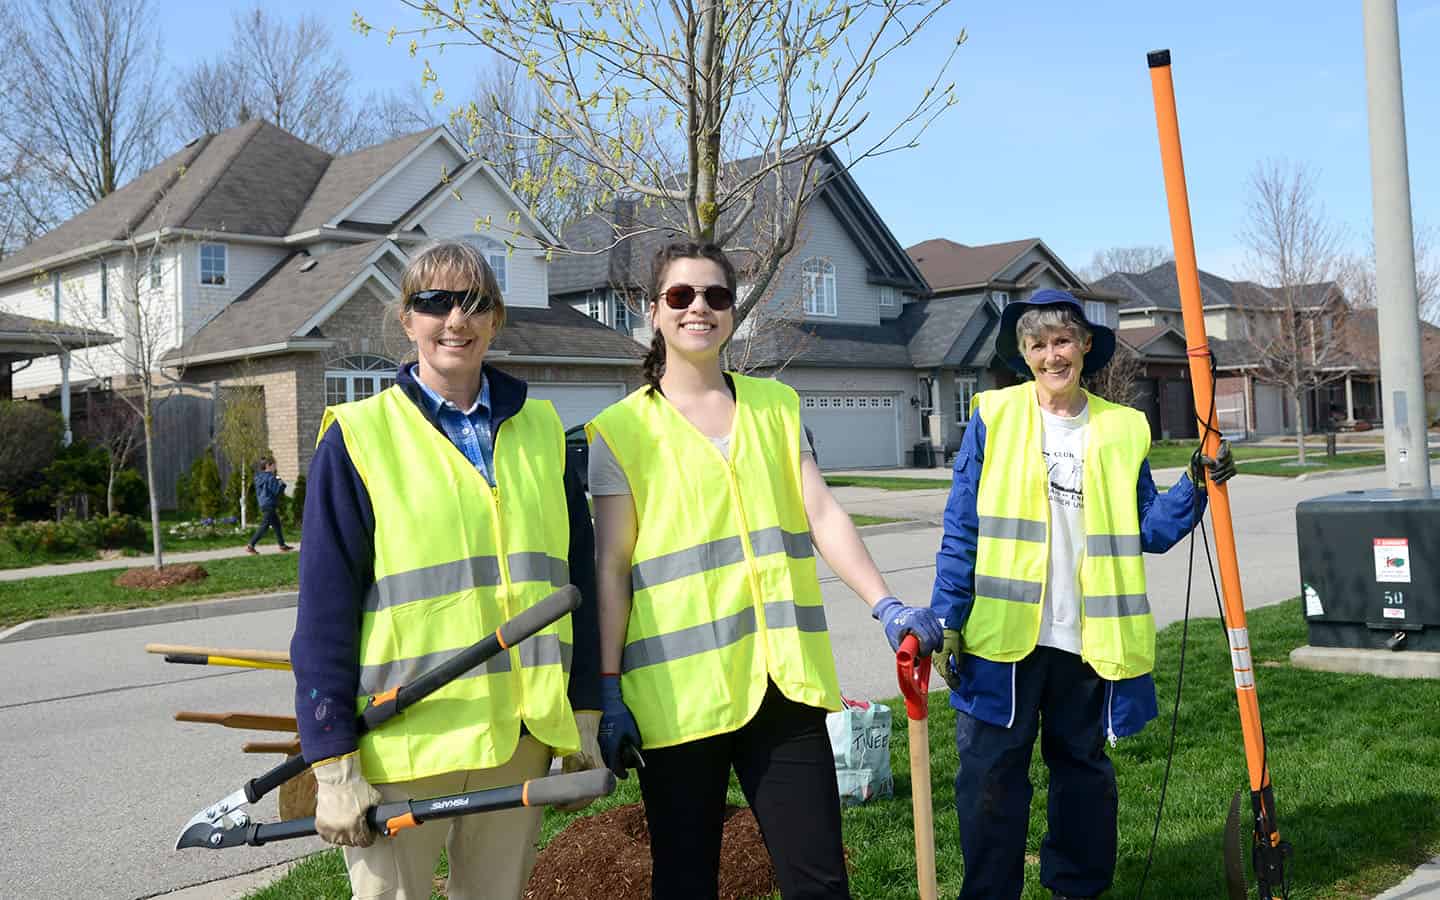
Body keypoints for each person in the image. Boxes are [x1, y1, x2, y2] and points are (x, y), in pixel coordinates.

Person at [588, 241, 942, 900]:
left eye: (716, 296)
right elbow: (610, 566)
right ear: (653, 312)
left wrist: (885, 604)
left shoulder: (777, 407)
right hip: (678, 699)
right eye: (681, 296)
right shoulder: (618, 431)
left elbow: (822, 512)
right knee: (686, 883)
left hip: (785, 688)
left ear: (732, 311)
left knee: (819, 882)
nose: (700, 308)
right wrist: (607, 687)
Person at [290, 240, 603, 900]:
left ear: (496, 320)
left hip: (517, 738)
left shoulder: (542, 432)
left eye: (475, 302)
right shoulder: (358, 437)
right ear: (407, 320)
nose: (454, 319)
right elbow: (323, 615)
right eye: (433, 302)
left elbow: (579, 582)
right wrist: (333, 765)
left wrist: (584, 713)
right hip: (405, 745)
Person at [930, 289, 1235, 900]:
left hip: (1087, 639)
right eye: (1037, 344)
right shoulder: (993, 415)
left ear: (1086, 345)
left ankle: (1077, 889)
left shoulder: (1124, 428)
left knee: (1083, 776)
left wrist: (1197, 485)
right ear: (1022, 354)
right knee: (990, 779)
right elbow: (962, 524)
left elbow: (1148, 526)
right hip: (1000, 640)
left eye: (1062, 340)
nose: (1052, 355)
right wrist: (945, 617)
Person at [245, 457, 291, 553]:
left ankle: (282, 545)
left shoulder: (258, 477)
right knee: (265, 526)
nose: (275, 468)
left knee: (277, 525)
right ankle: (251, 545)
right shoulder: (270, 477)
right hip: (269, 503)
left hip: (263, 503)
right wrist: (282, 484)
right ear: (268, 466)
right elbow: (276, 491)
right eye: (274, 465)